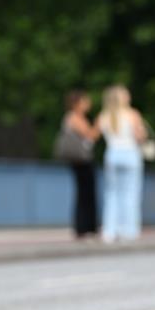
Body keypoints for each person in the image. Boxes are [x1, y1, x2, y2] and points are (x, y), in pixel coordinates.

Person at [97, 86, 146, 243]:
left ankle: (109, 231)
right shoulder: (132, 114)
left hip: (112, 154)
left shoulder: (103, 116)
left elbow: (94, 135)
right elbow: (140, 137)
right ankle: (129, 230)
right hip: (130, 154)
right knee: (131, 193)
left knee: (111, 194)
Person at [58, 91, 99, 238]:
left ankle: (86, 226)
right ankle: (84, 227)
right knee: (85, 194)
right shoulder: (73, 118)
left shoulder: (77, 118)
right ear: (77, 103)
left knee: (85, 193)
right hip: (81, 161)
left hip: (81, 160)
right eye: (85, 101)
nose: (88, 104)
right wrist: (100, 124)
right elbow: (91, 135)